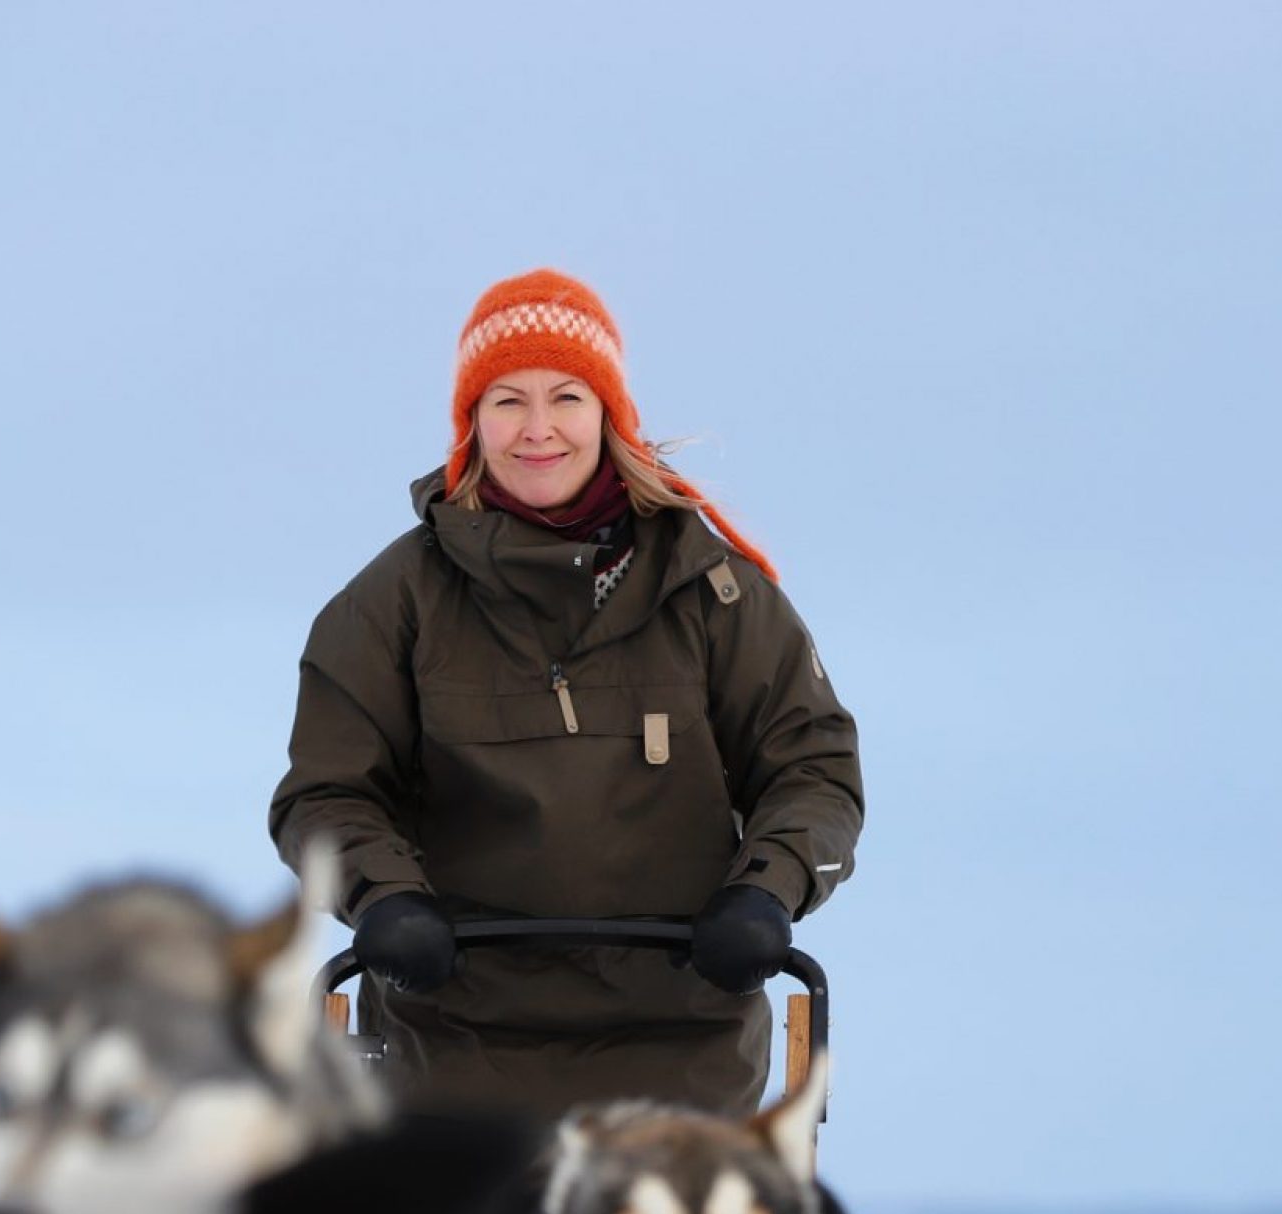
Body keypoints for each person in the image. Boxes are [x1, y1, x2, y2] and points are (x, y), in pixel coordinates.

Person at [270, 269, 863, 1118]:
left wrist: (766, 894)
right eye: (507, 399)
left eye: (567, 397)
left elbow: (814, 769)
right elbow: (325, 793)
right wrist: (387, 899)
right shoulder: (392, 602)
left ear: (609, 413)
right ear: (470, 422)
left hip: (682, 1050)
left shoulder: (715, 592)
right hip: (450, 1052)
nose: (538, 429)